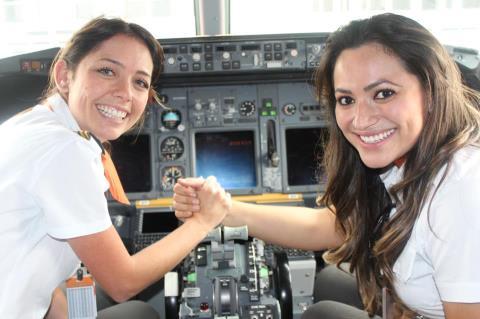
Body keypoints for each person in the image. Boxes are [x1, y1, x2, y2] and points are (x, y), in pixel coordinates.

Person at [173, 13, 480, 319]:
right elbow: (331, 225)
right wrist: (223, 210)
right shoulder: (406, 163)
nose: (360, 120)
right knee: (331, 280)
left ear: (431, 91)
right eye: (346, 100)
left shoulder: (460, 190)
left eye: (383, 94)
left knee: (319, 315)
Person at [0, 17, 230, 318]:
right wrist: (202, 222)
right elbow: (123, 282)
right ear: (65, 75)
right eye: (107, 71)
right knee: (140, 313)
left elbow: (44, 279)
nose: (125, 93)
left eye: (140, 82)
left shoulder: (34, 122)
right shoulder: (64, 150)